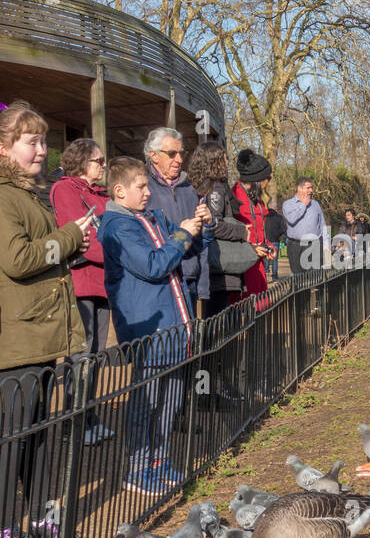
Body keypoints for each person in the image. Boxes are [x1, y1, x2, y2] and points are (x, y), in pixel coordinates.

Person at [0, 101, 89, 538]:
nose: (42, 150)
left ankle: (40, 518)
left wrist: (67, 250)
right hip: (14, 333)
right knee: (12, 435)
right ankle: (1, 530)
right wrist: (71, 237)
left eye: (43, 140)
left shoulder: (23, 191)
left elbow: (36, 255)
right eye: (31, 141)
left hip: (37, 327)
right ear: (3, 147)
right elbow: (17, 260)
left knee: (38, 431)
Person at [97, 156, 212, 495]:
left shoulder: (151, 218)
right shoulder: (119, 228)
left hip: (174, 322)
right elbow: (152, 265)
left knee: (171, 399)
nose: (148, 192)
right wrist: (181, 236)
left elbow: (182, 254)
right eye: (141, 186)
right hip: (149, 327)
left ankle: (159, 460)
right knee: (146, 401)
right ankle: (137, 466)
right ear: (120, 191)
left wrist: (196, 228)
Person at [51, 137, 114, 446]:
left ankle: (89, 416)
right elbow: (78, 235)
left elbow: (112, 231)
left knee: (96, 355)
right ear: (81, 162)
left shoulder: (101, 194)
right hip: (81, 282)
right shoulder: (64, 189)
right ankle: (73, 423)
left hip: (104, 283)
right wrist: (116, 252)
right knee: (81, 355)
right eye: (98, 161)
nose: (103, 166)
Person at [187, 141, 259, 317]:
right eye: (225, 158)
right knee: (217, 320)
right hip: (219, 262)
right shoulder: (216, 188)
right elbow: (214, 225)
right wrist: (242, 231)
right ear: (215, 161)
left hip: (206, 262)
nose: (227, 163)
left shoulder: (196, 186)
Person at [143, 127, 211, 313]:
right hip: (160, 279)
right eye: (172, 154)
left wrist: (207, 225)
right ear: (154, 155)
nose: (179, 160)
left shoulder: (188, 188)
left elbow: (200, 243)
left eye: (181, 153)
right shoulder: (142, 188)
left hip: (188, 277)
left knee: (189, 338)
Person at [232, 149, 277, 299]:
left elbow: (259, 229)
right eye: (267, 177)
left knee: (260, 309)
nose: (269, 180)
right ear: (257, 179)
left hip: (257, 265)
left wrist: (267, 245)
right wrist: (251, 248)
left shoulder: (255, 199)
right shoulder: (235, 199)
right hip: (243, 268)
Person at [282, 177, 328, 272]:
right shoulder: (288, 204)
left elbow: (322, 225)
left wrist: (326, 245)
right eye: (308, 188)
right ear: (300, 188)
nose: (311, 190)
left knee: (315, 277)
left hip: (314, 245)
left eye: (311, 188)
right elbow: (291, 220)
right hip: (295, 245)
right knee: (298, 277)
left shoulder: (315, 204)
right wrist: (303, 205)